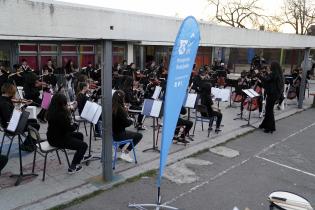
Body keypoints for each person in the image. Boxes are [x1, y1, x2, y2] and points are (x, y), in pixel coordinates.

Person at [46, 93, 90, 174]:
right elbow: (70, 129)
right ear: (62, 104)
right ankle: (73, 167)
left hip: (52, 136)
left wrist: (69, 111)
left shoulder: (51, 110)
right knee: (84, 146)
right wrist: (75, 124)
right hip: (58, 139)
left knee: (79, 135)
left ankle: (80, 156)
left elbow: (63, 126)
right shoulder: (61, 115)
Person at [0, 82, 40, 152]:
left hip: (8, 124)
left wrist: (23, 106)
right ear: (10, 92)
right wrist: (22, 107)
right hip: (11, 128)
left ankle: (30, 141)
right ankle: (27, 145)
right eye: (13, 92)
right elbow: (11, 118)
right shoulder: (5, 103)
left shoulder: (3, 99)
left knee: (33, 120)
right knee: (36, 125)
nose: (14, 95)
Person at [112, 90, 142, 163]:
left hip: (112, 134)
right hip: (118, 135)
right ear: (122, 98)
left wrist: (125, 112)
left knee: (129, 134)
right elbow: (126, 123)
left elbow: (120, 121)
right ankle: (125, 153)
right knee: (139, 135)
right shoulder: (119, 109)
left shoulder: (111, 106)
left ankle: (119, 149)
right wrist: (131, 120)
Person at [259, 61, 284, 133]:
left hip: (272, 95)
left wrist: (259, 75)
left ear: (273, 67)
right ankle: (264, 124)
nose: (269, 67)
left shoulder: (274, 74)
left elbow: (266, 80)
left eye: (270, 66)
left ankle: (270, 127)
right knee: (268, 109)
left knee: (269, 111)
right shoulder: (278, 74)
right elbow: (269, 82)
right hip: (275, 94)